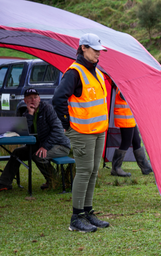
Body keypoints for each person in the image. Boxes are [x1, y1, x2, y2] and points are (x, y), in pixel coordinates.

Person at [53, 33, 110, 233]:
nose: (98, 55)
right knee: (85, 171)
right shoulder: (74, 72)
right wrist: (68, 125)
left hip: (98, 131)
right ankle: (76, 217)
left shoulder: (97, 72)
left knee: (93, 171)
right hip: (82, 131)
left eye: (100, 51)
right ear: (83, 48)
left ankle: (88, 212)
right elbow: (58, 99)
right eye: (95, 51)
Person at [0, 88, 71, 191]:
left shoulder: (48, 109)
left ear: (39, 98)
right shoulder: (26, 113)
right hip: (40, 144)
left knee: (39, 156)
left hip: (60, 145)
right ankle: (4, 183)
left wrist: (45, 147)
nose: (33, 100)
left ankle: (56, 181)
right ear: (25, 101)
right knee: (17, 152)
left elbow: (58, 132)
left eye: (35, 97)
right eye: (30, 98)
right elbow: (24, 132)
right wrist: (30, 114)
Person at [110, 87, 152, 177]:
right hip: (124, 117)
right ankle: (116, 168)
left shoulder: (126, 82)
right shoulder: (120, 83)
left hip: (129, 117)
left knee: (137, 141)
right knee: (126, 142)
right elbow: (124, 96)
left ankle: (145, 167)